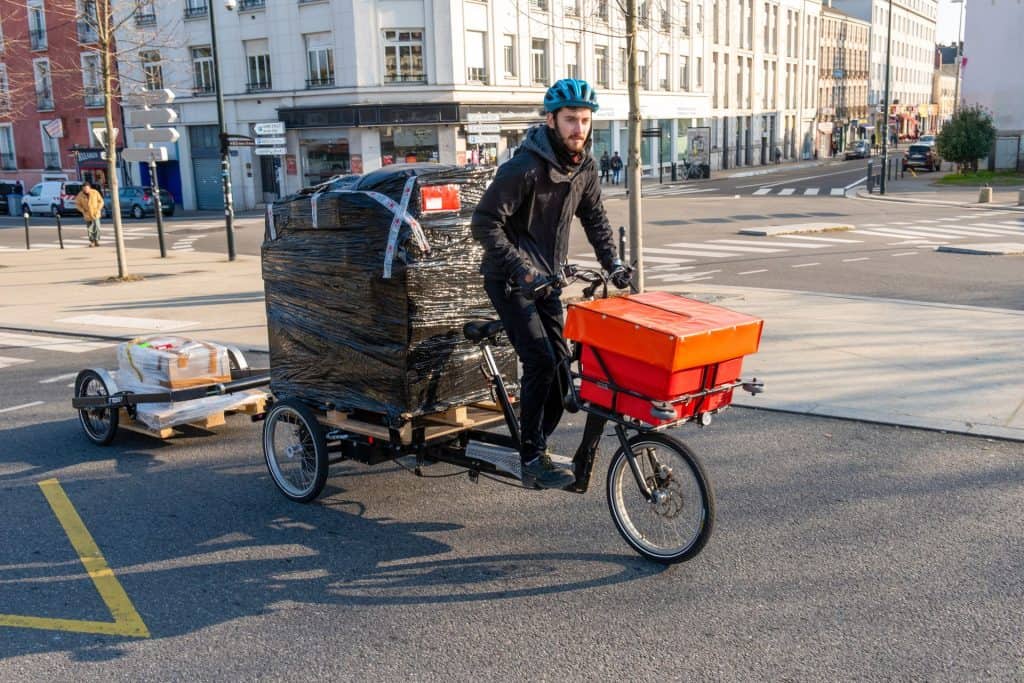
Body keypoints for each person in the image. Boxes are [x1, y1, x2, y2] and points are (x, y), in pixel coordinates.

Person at [471, 78, 632, 489]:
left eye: (584, 120)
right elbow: (484, 223)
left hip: (548, 282)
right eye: (570, 120)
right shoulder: (525, 167)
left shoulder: (585, 168)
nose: (578, 128)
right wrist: (521, 269)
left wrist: (613, 264)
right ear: (550, 120)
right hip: (509, 279)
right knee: (540, 361)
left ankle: (535, 439)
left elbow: (594, 220)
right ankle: (530, 457)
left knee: (560, 368)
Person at [75, 181, 104, 247]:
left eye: (87, 188)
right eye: (84, 189)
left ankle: (97, 240)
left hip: (95, 213)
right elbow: (77, 204)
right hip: (87, 214)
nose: (86, 190)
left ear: (89, 188)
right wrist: (82, 210)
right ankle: (92, 241)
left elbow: (101, 201)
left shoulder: (95, 192)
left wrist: (98, 209)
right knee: (90, 229)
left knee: (97, 227)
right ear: (82, 189)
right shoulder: (80, 195)